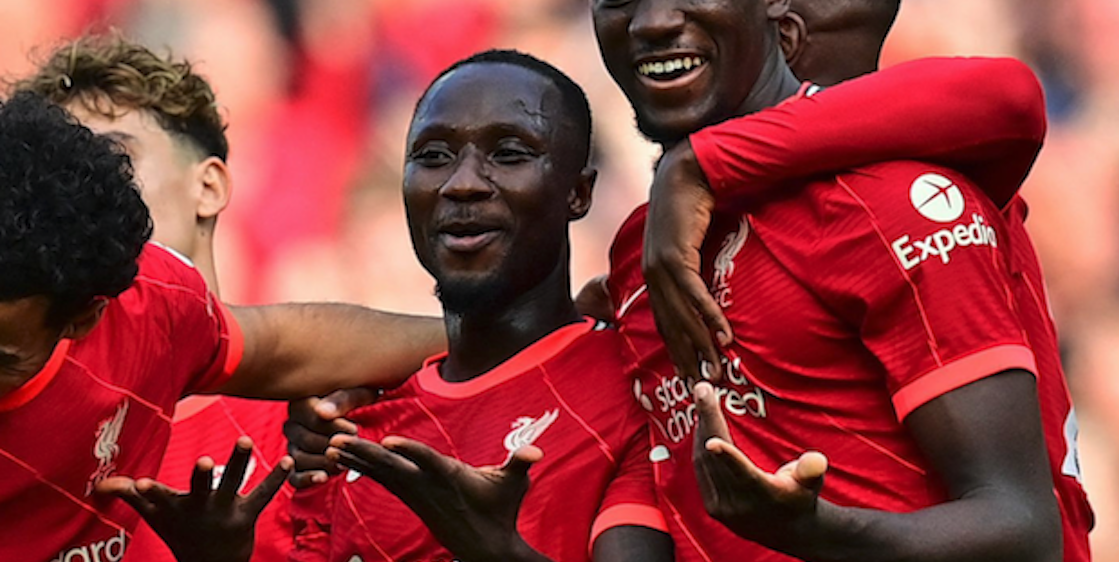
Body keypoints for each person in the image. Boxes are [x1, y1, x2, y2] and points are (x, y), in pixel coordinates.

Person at [587, 0, 1064, 560]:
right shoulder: (643, 247)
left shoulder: (897, 204)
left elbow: (1027, 534)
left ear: (773, 0)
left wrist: (820, 534)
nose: (654, 20)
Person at [0, 90, 444, 562]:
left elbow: (280, 345)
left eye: (3, 357)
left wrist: (480, 341)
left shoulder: (152, 307)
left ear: (83, 318)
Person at [275, 50, 668, 562]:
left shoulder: (637, 389)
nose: (462, 183)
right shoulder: (356, 432)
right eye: (434, 156)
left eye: (508, 154)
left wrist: (496, 552)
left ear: (578, 192)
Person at [10, 35, 293, 562]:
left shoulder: (308, 423)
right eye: (56, 176)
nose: (79, 195)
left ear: (208, 187)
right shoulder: (20, 419)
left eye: (111, 157)